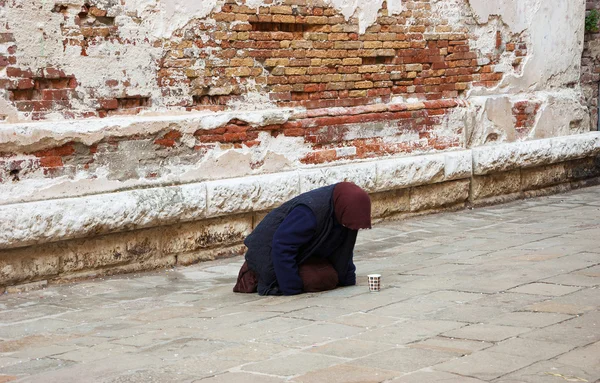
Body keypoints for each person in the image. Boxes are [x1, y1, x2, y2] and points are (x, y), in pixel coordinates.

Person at [233, 182, 372, 296]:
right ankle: (253, 273)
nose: (352, 229)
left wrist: (347, 279)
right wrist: (292, 288)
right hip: (267, 253)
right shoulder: (309, 213)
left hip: (302, 252)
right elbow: (282, 245)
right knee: (321, 278)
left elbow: (345, 247)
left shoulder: (342, 212)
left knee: (330, 275)